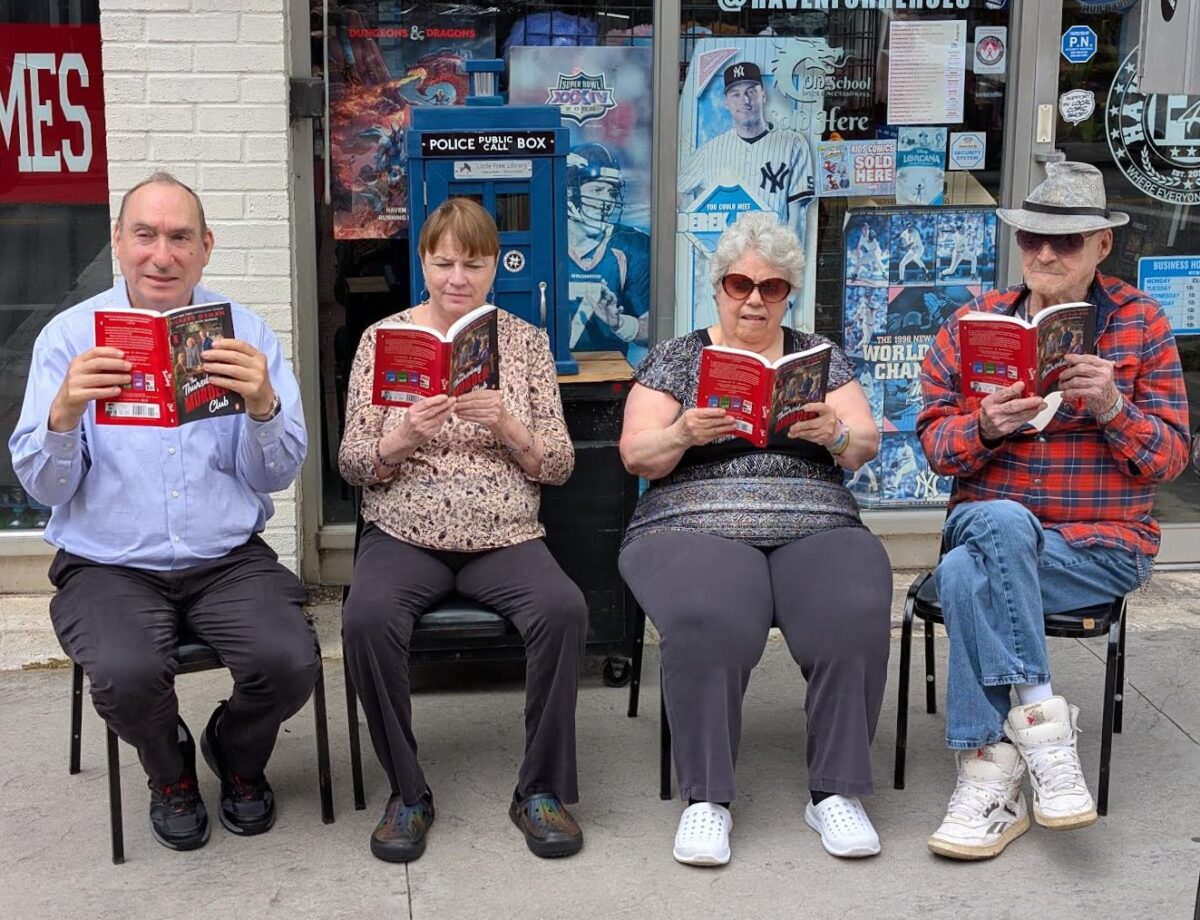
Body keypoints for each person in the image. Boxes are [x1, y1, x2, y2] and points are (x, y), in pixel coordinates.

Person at [9, 172, 316, 851]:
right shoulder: (68, 338)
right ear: (118, 241)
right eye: (145, 235)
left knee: (291, 660)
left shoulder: (246, 334)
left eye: (180, 237)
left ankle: (235, 751)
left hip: (226, 560)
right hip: (107, 564)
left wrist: (263, 407)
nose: (162, 254)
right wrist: (64, 414)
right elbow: (45, 490)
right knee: (126, 674)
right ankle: (169, 771)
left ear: (206, 247)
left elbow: (277, 475)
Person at [918, 161, 1190, 861]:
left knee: (964, 575)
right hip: (988, 521)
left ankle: (987, 775)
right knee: (1002, 523)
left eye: (1064, 241)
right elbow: (935, 448)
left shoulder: (1142, 323)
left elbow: (1169, 460)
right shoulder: (974, 324)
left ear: (1102, 245)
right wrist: (984, 426)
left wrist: (1114, 407)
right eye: (1031, 237)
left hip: (1098, 548)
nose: (1043, 253)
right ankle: (1044, 731)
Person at [618, 211, 892, 866]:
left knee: (853, 608)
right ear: (718, 287)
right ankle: (706, 798)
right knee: (706, 616)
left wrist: (834, 434)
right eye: (740, 284)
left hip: (813, 515)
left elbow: (865, 444)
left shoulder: (817, 358)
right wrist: (683, 433)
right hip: (692, 516)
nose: (754, 300)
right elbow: (635, 453)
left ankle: (834, 791)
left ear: (788, 294)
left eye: (772, 287)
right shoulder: (679, 358)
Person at [338, 197, 588, 864]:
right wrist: (401, 436)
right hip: (403, 531)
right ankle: (407, 792)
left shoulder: (525, 343)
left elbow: (559, 464)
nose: (457, 278)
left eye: (473, 264)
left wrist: (506, 425)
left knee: (563, 609)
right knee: (365, 618)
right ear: (423, 262)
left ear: (494, 267)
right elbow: (353, 463)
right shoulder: (382, 341)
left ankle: (540, 789)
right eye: (444, 262)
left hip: (504, 535)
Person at [677, 61, 814, 244]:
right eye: (736, 94)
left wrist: (790, 257)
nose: (745, 100)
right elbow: (678, 190)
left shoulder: (793, 143)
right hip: (728, 255)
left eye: (751, 91)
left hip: (771, 253)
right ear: (726, 102)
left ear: (763, 94)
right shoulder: (711, 150)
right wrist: (699, 236)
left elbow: (798, 216)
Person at [565, 143, 652, 364]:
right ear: (569, 194)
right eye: (597, 190)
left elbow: (652, 330)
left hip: (609, 373)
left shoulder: (631, 246)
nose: (607, 201)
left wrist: (620, 323)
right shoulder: (545, 244)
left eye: (611, 192)